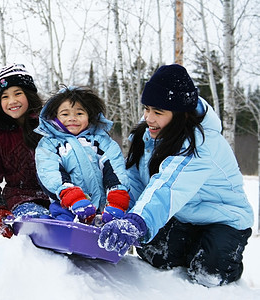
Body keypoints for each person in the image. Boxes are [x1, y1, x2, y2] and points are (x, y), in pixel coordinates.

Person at [98, 64, 254, 287]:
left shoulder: (202, 143)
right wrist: (116, 212)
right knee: (154, 254)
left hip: (223, 220)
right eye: (147, 109)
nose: (149, 118)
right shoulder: (147, 135)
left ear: (181, 115)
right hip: (183, 216)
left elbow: (167, 186)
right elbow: (134, 181)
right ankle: (191, 246)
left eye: (158, 112)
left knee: (208, 273)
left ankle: (223, 255)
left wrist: (137, 222)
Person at [0, 64, 50, 238]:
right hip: (21, 199)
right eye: (5, 96)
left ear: (29, 95)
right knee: (38, 226)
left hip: (60, 198)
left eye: (18, 93)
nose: (12, 101)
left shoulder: (50, 127)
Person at [35, 86, 130, 224]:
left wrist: (117, 194)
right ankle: (57, 232)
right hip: (68, 204)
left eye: (79, 114)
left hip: (104, 206)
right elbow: (49, 170)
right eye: (65, 114)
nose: (72, 118)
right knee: (63, 218)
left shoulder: (101, 141)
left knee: (119, 221)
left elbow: (115, 167)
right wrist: (70, 195)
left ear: (89, 116)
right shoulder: (50, 144)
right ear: (55, 117)